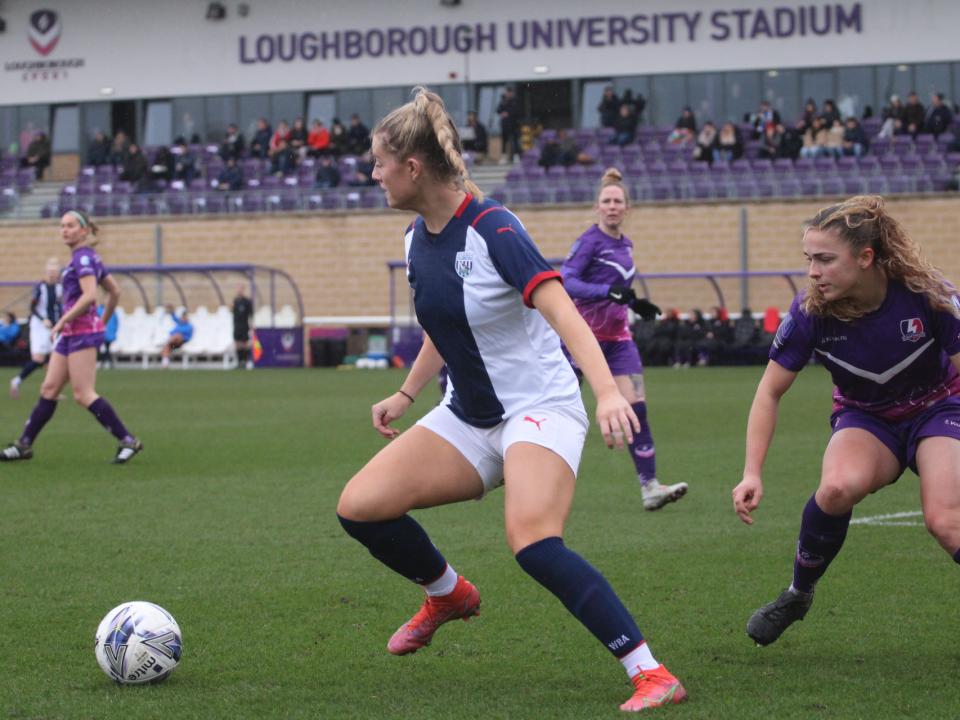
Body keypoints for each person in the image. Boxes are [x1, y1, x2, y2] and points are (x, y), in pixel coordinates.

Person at [336, 87, 686, 713]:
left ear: (412, 167)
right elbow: (444, 323)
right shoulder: (416, 239)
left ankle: (651, 672)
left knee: (532, 541)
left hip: (540, 408)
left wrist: (608, 392)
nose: (374, 174)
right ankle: (448, 595)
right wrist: (407, 392)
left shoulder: (494, 228)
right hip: (469, 416)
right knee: (359, 508)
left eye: (379, 163)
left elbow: (564, 311)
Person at [732, 195, 960, 647]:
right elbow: (769, 392)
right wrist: (751, 472)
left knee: (945, 521)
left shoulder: (929, 295)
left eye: (825, 259)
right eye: (808, 259)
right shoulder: (810, 312)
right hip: (867, 416)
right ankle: (798, 594)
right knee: (835, 489)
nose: (813, 272)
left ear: (865, 257)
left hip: (940, 408)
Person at [560, 167, 690, 512]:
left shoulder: (625, 245)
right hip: (582, 338)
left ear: (627, 208)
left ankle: (650, 487)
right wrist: (608, 291)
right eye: (606, 201)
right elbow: (566, 280)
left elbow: (619, 289)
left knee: (637, 410)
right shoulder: (589, 242)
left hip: (618, 340)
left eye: (618, 201)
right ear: (597, 207)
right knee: (558, 409)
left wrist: (635, 302)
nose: (612, 206)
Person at [1, 210, 142, 464]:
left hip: (81, 333)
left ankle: (128, 440)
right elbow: (115, 291)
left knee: (83, 393)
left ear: (84, 230)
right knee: (49, 388)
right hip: (72, 333)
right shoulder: (86, 257)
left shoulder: (83, 258)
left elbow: (90, 295)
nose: (64, 230)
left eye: (70, 225)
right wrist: (101, 322)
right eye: (62, 226)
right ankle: (24, 445)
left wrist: (64, 320)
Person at [10, 258, 62, 399]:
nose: (52, 274)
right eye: (50, 271)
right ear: (46, 272)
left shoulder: (59, 288)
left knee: (54, 358)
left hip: (53, 326)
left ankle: (50, 389)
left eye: (55, 271)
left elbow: (59, 307)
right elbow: (32, 307)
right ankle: (17, 381)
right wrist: (43, 319)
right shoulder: (40, 288)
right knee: (39, 359)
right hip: (39, 326)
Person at [231, 285, 254, 370]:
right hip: (236, 325)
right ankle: (239, 362)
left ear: (243, 290)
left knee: (245, 343)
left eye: (240, 289)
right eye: (238, 289)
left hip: (244, 325)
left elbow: (251, 314)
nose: (239, 291)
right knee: (237, 343)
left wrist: (251, 324)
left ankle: (245, 361)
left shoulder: (247, 301)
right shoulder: (235, 301)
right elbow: (233, 312)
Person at [496, 85, 520, 164]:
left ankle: (516, 157)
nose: (508, 94)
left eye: (509, 92)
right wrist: (503, 112)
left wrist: (508, 113)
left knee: (515, 141)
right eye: (507, 92)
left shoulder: (515, 101)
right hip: (505, 125)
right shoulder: (503, 100)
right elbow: (498, 110)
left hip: (513, 124)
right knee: (504, 141)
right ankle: (504, 157)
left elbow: (516, 111)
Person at [96, 303, 118, 369]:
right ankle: (106, 363)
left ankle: (103, 363)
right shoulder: (112, 311)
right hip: (109, 334)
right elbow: (116, 323)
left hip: (102, 333)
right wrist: (114, 331)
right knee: (107, 349)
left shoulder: (98, 311)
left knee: (101, 349)